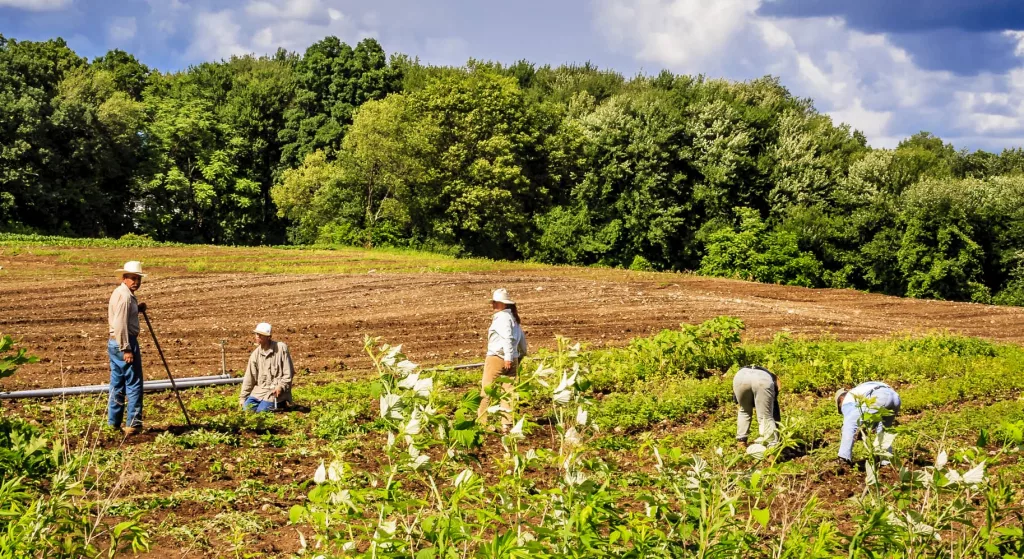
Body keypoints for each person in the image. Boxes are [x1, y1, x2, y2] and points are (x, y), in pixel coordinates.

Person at [477, 288, 528, 428]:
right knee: (508, 391)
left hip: (497, 358)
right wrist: (519, 356)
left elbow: (507, 338)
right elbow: (522, 342)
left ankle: (482, 423)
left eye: (496, 302)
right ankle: (507, 424)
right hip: (513, 359)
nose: (493, 305)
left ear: (504, 304)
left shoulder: (502, 318)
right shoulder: (514, 319)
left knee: (487, 391)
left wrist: (507, 357)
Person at [108, 261, 147, 435]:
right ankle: (133, 423)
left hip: (113, 343)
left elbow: (122, 316)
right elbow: (120, 323)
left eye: (138, 278)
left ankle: (113, 423)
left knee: (117, 383)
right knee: (134, 383)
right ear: (124, 278)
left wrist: (136, 309)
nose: (136, 282)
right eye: (132, 278)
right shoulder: (125, 297)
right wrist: (127, 348)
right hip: (124, 341)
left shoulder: (121, 293)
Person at [835, 381, 901, 466]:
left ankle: (843, 458)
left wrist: (851, 434)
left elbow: (850, 424)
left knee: (850, 423)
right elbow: (870, 417)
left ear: (840, 399)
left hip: (879, 396)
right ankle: (886, 460)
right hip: (895, 397)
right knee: (883, 429)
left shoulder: (847, 400)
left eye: (840, 407)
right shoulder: (861, 389)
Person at [240, 323, 295, 413]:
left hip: (276, 391)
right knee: (247, 409)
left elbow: (288, 373)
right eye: (257, 334)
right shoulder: (255, 355)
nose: (257, 337)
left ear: (268, 337)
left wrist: (281, 387)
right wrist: (243, 397)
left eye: (261, 335)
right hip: (260, 391)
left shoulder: (281, 348)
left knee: (262, 411)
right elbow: (249, 378)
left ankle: (281, 403)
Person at [732, 366, 781, 448]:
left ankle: (741, 443)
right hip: (763, 380)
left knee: (744, 411)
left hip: (741, 376)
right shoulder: (773, 380)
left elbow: (736, 400)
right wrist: (777, 429)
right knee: (766, 417)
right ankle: (772, 448)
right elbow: (774, 412)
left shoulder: (766, 374)